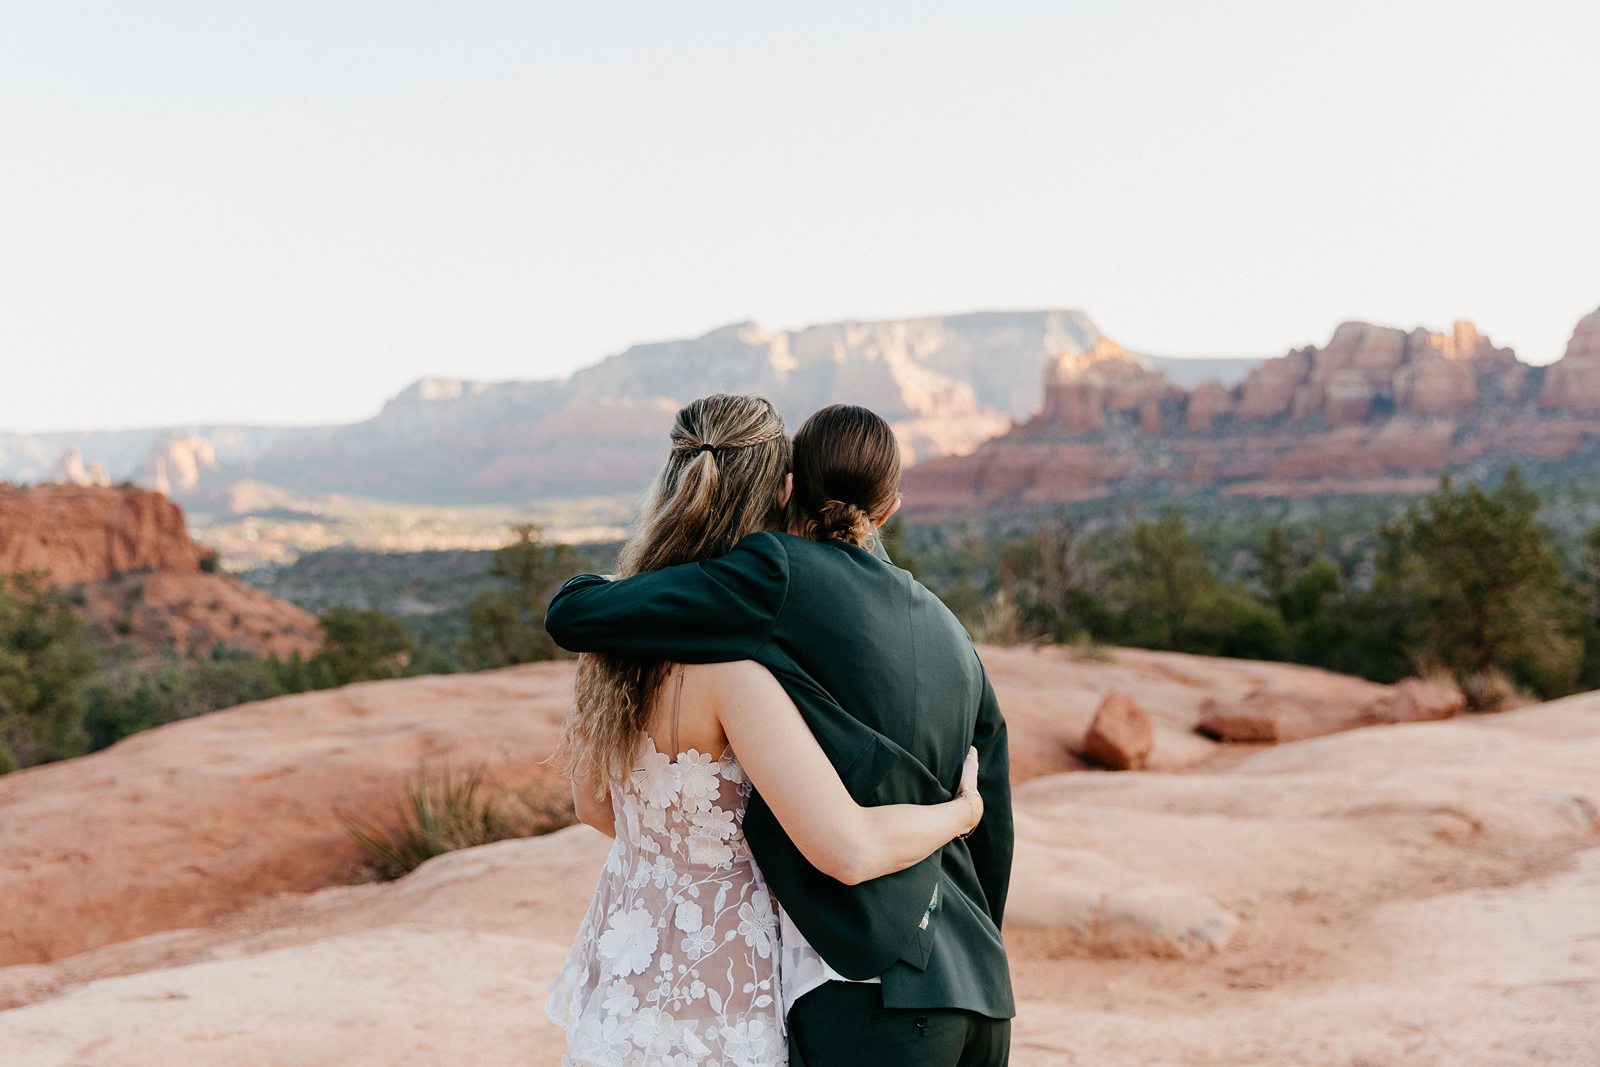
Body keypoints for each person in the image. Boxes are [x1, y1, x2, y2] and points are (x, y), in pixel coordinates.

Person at [547, 403, 1015, 1066]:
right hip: (971, 974)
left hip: (812, 981)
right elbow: (991, 807)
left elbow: (596, 805)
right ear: (889, 509)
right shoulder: (952, 631)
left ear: (792, 489)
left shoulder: (675, 630)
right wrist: (967, 836)